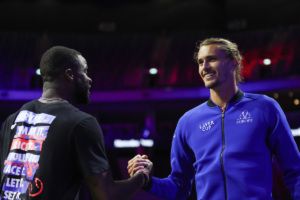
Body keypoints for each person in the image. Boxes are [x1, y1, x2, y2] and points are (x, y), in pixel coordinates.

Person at [127, 38, 300, 199]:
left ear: (234, 62)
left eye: (211, 59)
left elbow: (295, 171)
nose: (204, 67)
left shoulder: (265, 108)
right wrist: (148, 180)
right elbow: (178, 187)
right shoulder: (188, 122)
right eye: (201, 62)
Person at [0, 46, 149, 199]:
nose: (89, 79)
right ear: (70, 75)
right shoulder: (81, 123)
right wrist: (141, 176)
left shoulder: (12, 120)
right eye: (84, 71)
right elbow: (105, 195)